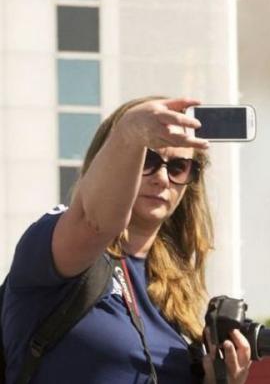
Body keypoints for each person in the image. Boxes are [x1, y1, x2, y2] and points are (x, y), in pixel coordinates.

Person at [1, 97, 251, 383]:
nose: (162, 178)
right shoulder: (62, 241)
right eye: (148, 160)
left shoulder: (176, 290)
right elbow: (95, 223)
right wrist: (129, 133)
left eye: (178, 167)